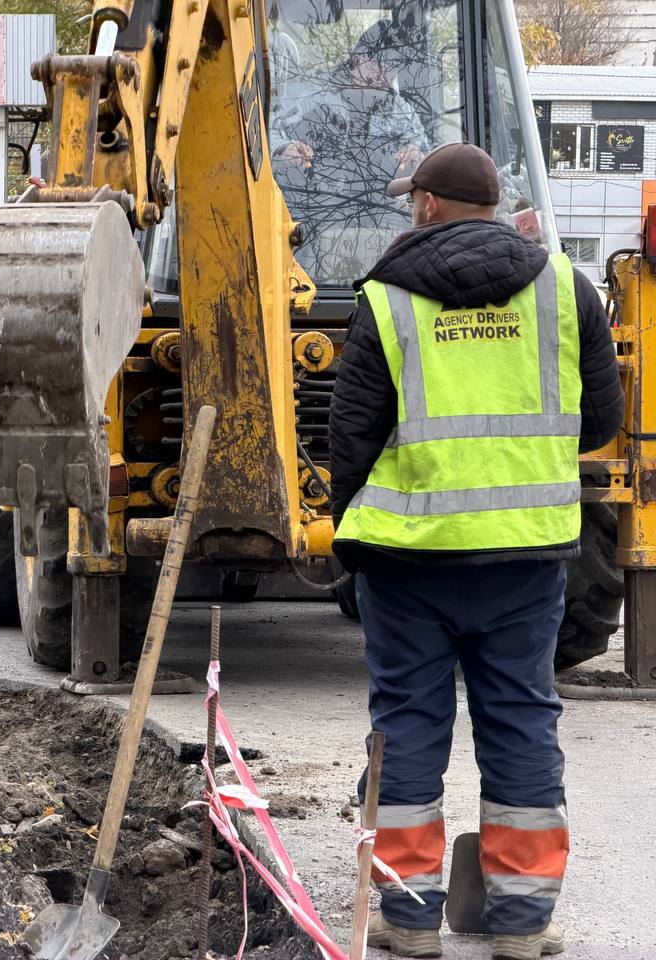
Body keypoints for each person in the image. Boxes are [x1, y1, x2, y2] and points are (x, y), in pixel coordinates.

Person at [330, 143, 622, 959]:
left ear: (426, 205)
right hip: (526, 556)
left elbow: (349, 440)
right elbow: (600, 419)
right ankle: (523, 924)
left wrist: (356, 527)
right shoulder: (567, 287)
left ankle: (409, 918)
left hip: (410, 560)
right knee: (523, 725)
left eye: (408, 200)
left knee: (408, 727)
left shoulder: (387, 299)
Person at [273, 20, 429, 283]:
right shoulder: (306, 95)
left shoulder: (401, 111)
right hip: (309, 232)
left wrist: (418, 158)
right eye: (377, 65)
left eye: (391, 69)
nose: (382, 76)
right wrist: (283, 149)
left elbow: (428, 154)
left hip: (380, 235)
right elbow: (265, 133)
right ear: (357, 57)